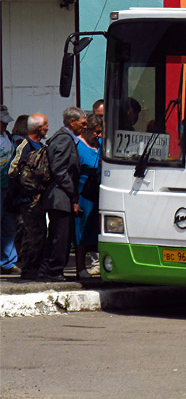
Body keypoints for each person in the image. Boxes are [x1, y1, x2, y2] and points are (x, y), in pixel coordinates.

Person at [37, 107, 85, 283]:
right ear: (72, 122)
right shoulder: (64, 139)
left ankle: (46, 270)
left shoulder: (62, 138)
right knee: (60, 236)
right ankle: (54, 270)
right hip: (59, 196)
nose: (84, 127)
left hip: (58, 195)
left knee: (57, 234)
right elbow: (59, 169)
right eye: (83, 123)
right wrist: (71, 190)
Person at [12, 114, 49, 281]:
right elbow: (13, 172)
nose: (48, 128)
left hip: (38, 199)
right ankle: (28, 270)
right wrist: (30, 190)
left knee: (39, 234)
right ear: (39, 128)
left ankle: (35, 268)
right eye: (46, 125)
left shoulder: (39, 145)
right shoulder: (24, 146)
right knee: (31, 235)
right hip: (28, 200)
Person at [74, 113, 102, 279]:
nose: (98, 135)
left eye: (100, 132)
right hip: (83, 195)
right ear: (86, 129)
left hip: (99, 195)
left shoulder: (101, 144)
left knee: (97, 231)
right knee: (82, 232)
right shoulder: (78, 146)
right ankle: (80, 267)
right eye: (95, 132)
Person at [0, 105, 19, 275]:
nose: (5, 126)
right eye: (2, 123)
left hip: (8, 188)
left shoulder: (9, 138)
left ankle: (8, 262)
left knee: (9, 226)